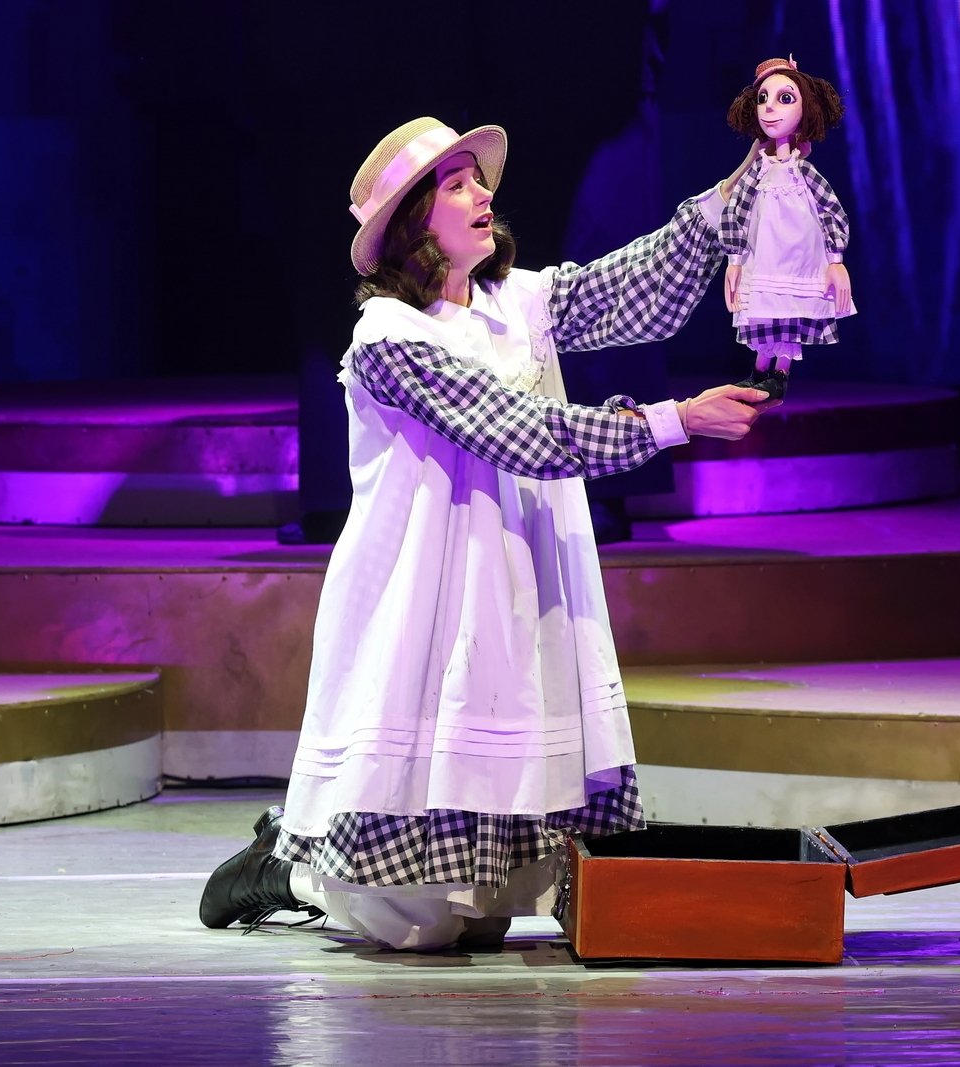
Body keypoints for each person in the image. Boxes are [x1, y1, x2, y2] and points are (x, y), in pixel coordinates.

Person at [199, 116, 766, 952]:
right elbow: (518, 431)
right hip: (431, 598)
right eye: (456, 184)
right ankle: (288, 865)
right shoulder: (390, 335)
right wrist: (675, 420)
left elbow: (634, 286)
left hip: (518, 587)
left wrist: (732, 199)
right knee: (418, 924)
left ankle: (401, 881)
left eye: (479, 179)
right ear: (411, 221)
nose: (482, 194)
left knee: (487, 910)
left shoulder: (519, 302)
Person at [721, 55, 854, 407]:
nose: (769, 108)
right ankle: (759, 370)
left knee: (791, 310)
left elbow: (831, 210)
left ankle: (779, 374)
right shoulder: (759, 170)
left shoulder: (803, 172)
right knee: (764, 309)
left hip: (799, 257)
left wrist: (836, 260)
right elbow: (736, 211)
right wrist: (734, 259)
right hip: (764, 255)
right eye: (763, 98)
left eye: (784, 98)